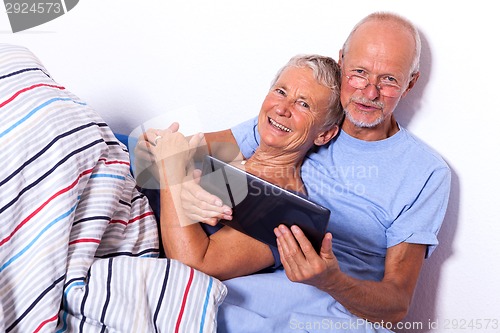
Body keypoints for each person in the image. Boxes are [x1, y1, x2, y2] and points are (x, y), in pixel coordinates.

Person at [164, 11, 451, 332]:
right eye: (359, 72)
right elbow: (164, 150)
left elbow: (397, 305)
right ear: (341, 61)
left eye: (388, 80)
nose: (370, 92)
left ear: (410, 82)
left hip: (342, 314)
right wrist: (185, 180)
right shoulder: (305, 118)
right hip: (249, 293)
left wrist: (332, 280)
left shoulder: (426, 172)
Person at [140, 54, 343, 281]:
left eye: (303, 104)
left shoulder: (286, 211)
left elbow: (195, 264)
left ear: (324, 134)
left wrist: (172, 169)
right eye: (280, 92)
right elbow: (144, 154)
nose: (282, 109)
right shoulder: (226, 155)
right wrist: (158, 148)